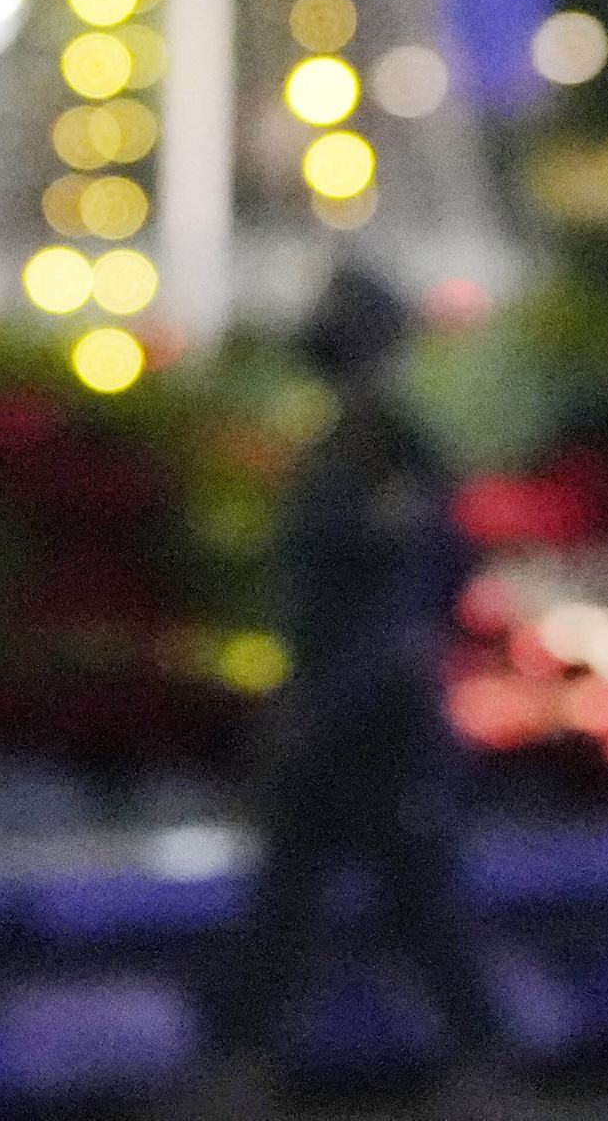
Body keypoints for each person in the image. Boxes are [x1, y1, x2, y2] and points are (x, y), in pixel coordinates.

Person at [204, 263, 496, 1100]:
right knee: (297, 895)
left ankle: (476, 1057)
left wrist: (340, 691)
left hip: (380, 712)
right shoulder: (351, 448)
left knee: (411, 894)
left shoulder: (395, 451)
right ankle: (245, 1059)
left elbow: (418, 581)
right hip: (339, 701)